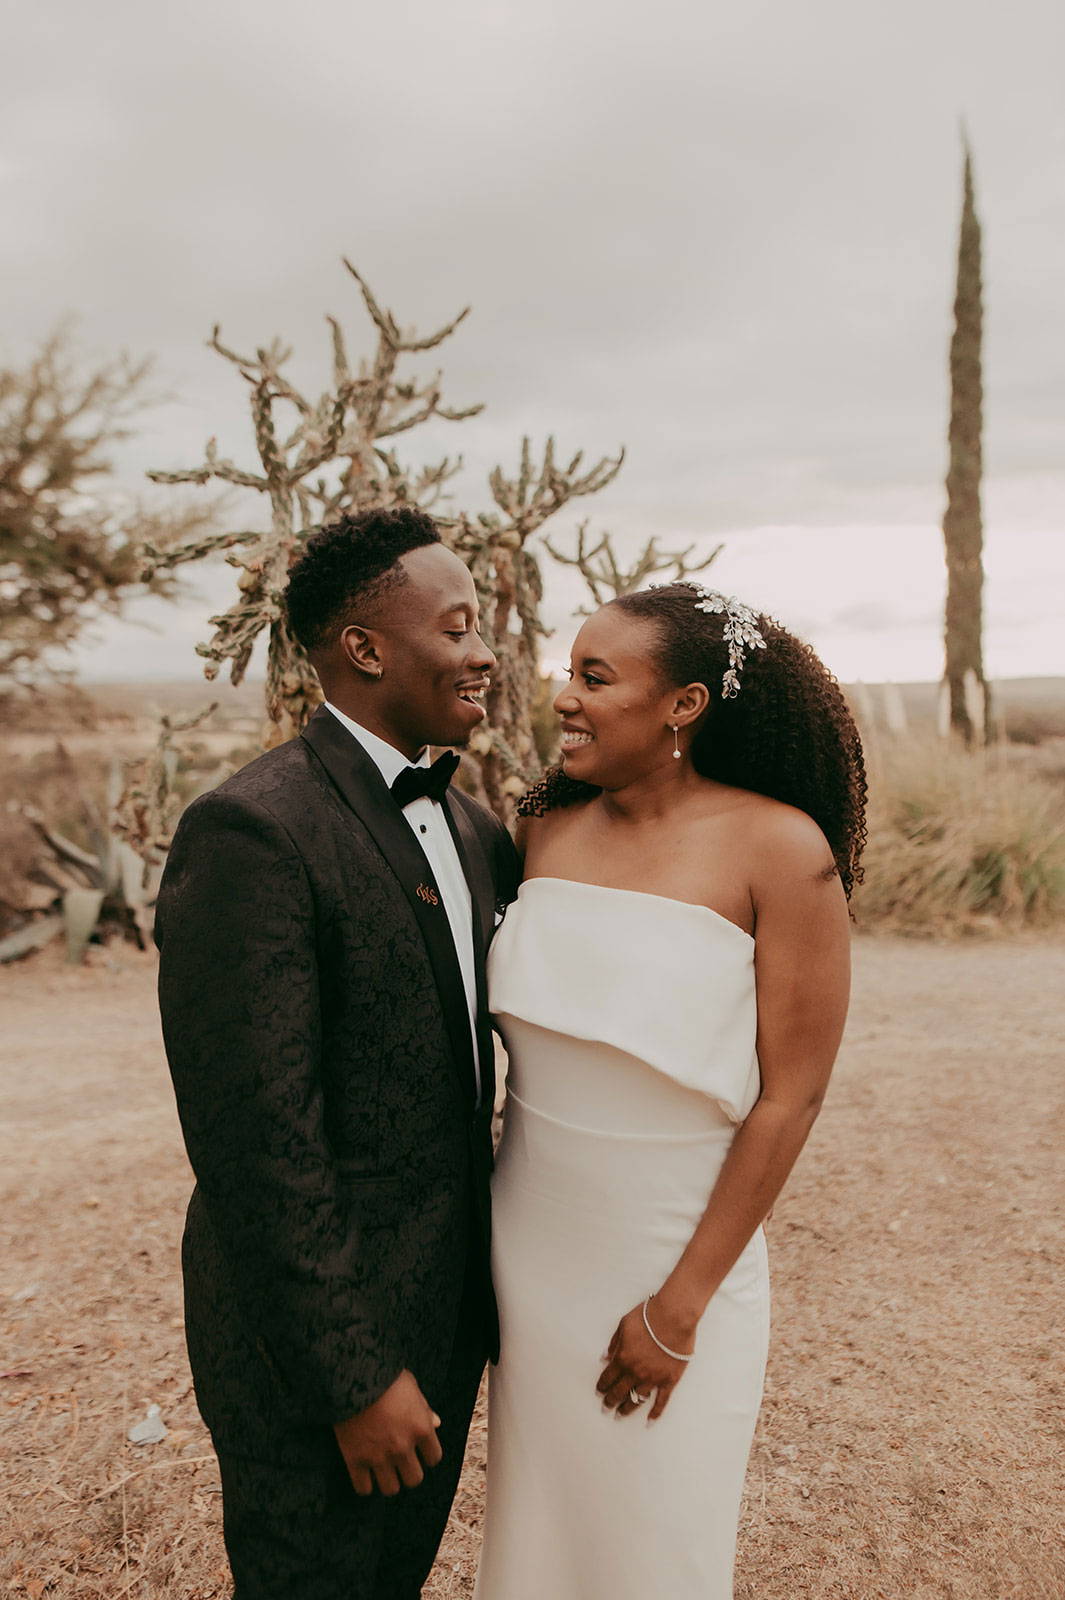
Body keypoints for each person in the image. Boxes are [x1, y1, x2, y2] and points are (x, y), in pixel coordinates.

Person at [474, 582, 867, 1600]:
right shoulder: (544, 831)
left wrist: (679, 1308)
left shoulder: (783, 851)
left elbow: (792, 1097)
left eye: (595, 677)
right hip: (529, 1254)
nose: (564, 696)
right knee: (540, 1541)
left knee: (656, 1549)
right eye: (569, 672)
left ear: (684, 704)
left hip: (672, 1262)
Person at [156, 507, 519, 1600]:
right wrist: (354, 1376)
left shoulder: (473, 828)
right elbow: (256, 1138)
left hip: (446, 1320)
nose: (485, 650)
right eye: (456, 627)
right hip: (315, 1355)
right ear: (363, 648)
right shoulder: (251, 831)